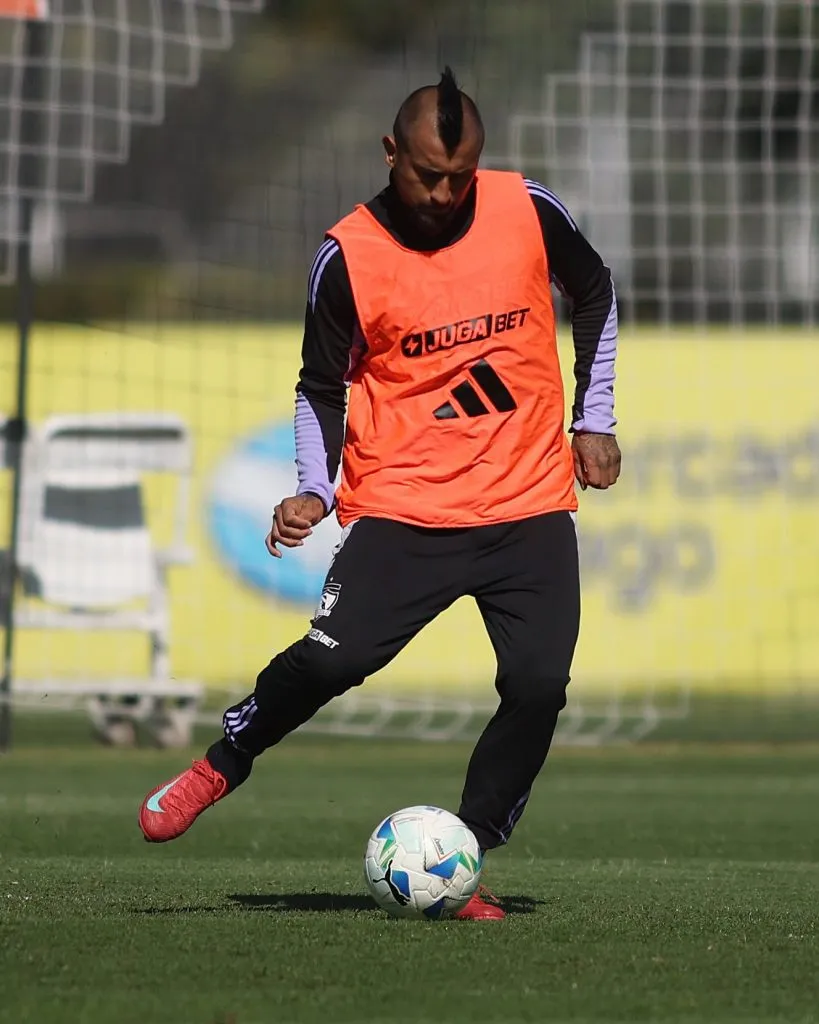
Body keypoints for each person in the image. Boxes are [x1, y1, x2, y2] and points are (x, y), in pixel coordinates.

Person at [138, 67, 621, 921]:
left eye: (460, 176)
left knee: (539, 684)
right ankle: (223, 760)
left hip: (527, 504)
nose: (443, 193)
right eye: (426, 174)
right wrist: (312, 490)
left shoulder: (527, 209)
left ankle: (463, 853)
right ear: (389, 152)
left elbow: (595, 292)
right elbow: (319, 385)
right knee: (334, 659)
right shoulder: (347, 255)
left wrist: (593, 416)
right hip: (404, 507)